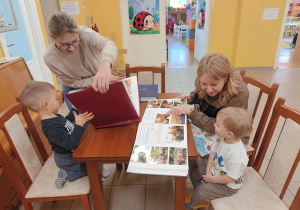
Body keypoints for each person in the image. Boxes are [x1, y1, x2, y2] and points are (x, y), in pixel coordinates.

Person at [19, 81, 108, 188]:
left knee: (95, 158)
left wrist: (73, 110)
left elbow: (66, 122)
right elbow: (71, 144)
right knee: (93, 167)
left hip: (72, 154)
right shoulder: (50, 127)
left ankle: (97, 167)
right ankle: (67, 173)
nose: (59, 101)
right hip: (67, 160)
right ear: (46, 105)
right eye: (56, 99)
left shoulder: (53, 116)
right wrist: (79, 125)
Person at [165, 53, 249, 143]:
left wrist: (190, 112)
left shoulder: (239, 93)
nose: (209, 90)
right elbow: (199, 92)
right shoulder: (205, 77)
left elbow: (219, 127)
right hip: (205, 123)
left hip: (228, 136)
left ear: (225, 79)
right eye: (204, 84)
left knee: (187, 147)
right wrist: (191, 98)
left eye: (214, 84)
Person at [44, 11, 120, 111]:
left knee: (107, 112)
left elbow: (109, 45)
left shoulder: (85, 34)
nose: (71, 48)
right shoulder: (50, 58)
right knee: (82, 122)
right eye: (64, 44)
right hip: (74, 88)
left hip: (98, 79)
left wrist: (105, 66)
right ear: (53, 40)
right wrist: (98, 80)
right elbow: (74, 83)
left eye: (75, 41)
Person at [186, 107, 252, 208]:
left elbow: (231, 178)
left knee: (201, 191)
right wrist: (208, 171)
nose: (214, 125)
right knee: (194, 173)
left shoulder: (236, 154)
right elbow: (213, 152)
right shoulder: (223, 139)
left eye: (218, 125)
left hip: (228, 185)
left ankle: (197, 201)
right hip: (216, 172)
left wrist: (211, 179)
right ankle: (201, 194)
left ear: (229, 134)